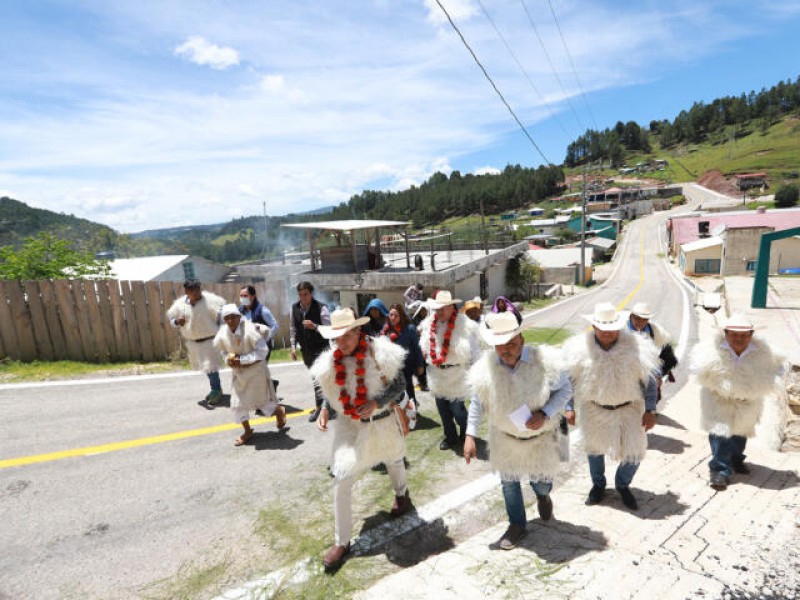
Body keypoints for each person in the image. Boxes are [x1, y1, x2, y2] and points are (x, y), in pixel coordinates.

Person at [310, 308, 413, 572]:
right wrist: (324, 408)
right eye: (337, 338)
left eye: (346, 336)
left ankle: (402, 496)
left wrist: (377, 402)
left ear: (358, 331)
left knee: (393, 459)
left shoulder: (382, 354)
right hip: (351, 427)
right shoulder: (331, 361)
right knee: (342, 477)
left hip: (382, 423)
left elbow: (401, 384)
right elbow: (333, 389)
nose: (341, 343)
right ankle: (341, 542)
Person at [464, 311, 572, 549]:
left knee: (542, 481)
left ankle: (542, 494)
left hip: (540, 438)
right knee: (509, 483)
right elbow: (477, 402)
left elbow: (566, 390)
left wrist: (545, 413)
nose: (506, 350)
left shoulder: (546, 362)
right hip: (505, 439)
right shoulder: (484, 369)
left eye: (511, 343)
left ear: (522, 339)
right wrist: (470, 435)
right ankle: (517, 525)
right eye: (499, 345)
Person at [562, 302, 659, 510]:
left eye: (611, 329)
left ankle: (622, 484)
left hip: (629, 409)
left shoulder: (637, 347)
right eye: (602, 328)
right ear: (594, 327)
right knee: (595, 450)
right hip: (594, 409)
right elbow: (568, 380)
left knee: (635, 452)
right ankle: (598, 485)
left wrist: (651, 410)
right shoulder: (578, 350)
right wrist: (568, 407)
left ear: (618, 326)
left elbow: (650, 381)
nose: (607, 333)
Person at [691, 313, 785, 491]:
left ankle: (735, 458)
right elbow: (697, 369)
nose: (739, 339)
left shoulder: (763, 351)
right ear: (726, 334)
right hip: (718, 400)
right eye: (734, 334)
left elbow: (778, 369)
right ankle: (720, 470)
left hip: (746, 402)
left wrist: (760, 382)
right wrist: (718, 383)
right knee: (720, 434)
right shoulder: (711, 349)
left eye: (744, 335)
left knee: (740, 434)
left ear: (751, 335)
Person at [214, 304, 286, 446]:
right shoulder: (223, 334)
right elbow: (222, 351)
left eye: (233, 317)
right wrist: (229, 359)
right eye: (227, 318)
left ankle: (278, 411)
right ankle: (247, 431)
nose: (230, 321)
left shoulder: (250, 330)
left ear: (239, 317)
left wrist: (242, 360)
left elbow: (263, 351)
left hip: (255, 373)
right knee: (237, 405)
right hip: (239, 375)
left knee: (263, 403)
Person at [418, 290, 480, 450]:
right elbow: (424, 345)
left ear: (452, 307)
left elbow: (475, 353)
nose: (440, 311)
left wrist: (476, 375)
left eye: (444, 308)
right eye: (437, 308)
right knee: (443, 411)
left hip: (457, 376)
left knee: (457, 410)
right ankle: (450, 437)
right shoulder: (429, 324)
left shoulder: (465, 325)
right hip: (436, 375)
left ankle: (466, 434)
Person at [166, 280, 226, 405]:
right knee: (206, 367)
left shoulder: (211, 300)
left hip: (210, 339)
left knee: (211, 366)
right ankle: (215, 389)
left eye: (198, 289)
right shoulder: (180, 305)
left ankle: (216, 389)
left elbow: (222, 316)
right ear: (187, 292)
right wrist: (177, 322)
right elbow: (172, 320)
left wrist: (222, 332)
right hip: (194, 342)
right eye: (193, 290)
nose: (196, 292)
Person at [290, 281, 332, 422]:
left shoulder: (321, 308)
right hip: (306, 351)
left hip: (321, 350)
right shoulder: (294, 308)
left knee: (319, 379)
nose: (303, 297)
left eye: (305, 294)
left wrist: (314, 326)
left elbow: (329, 330)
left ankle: (320, 408)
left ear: (311, 293)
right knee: (317, 380)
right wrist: (293, 347)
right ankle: (326, 406)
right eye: (300, 294)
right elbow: (293, 329)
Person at [628, 302, 679, 399]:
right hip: (626, 369)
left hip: (647, 371)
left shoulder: (657, 332)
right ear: (631, 316)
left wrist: (658, 373)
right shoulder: (621, 329)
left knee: (652, 396)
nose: (640, 322)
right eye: (637, 318)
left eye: (644, 320)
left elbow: (670, 358)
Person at [381, 303, 424, 411]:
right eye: (391, 315)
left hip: (407, 366)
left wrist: (420, 365)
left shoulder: (410, 329)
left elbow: (417, 348)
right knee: (395, 392)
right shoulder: (386, 330)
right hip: (392, 368)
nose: (393, 318)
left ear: (401, 316)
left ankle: (413, 412)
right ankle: (401, 414)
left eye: (396, 315)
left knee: (408, 390)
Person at [238, 285, 279, 363]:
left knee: (260, 370)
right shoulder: (239, 311)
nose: (243, 298)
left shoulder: (262, 310)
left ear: (253, 296)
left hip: (262, 347)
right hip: (247, 347)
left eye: (245, 296)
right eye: (241, 296)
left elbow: (275, 326)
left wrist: (266, 338)